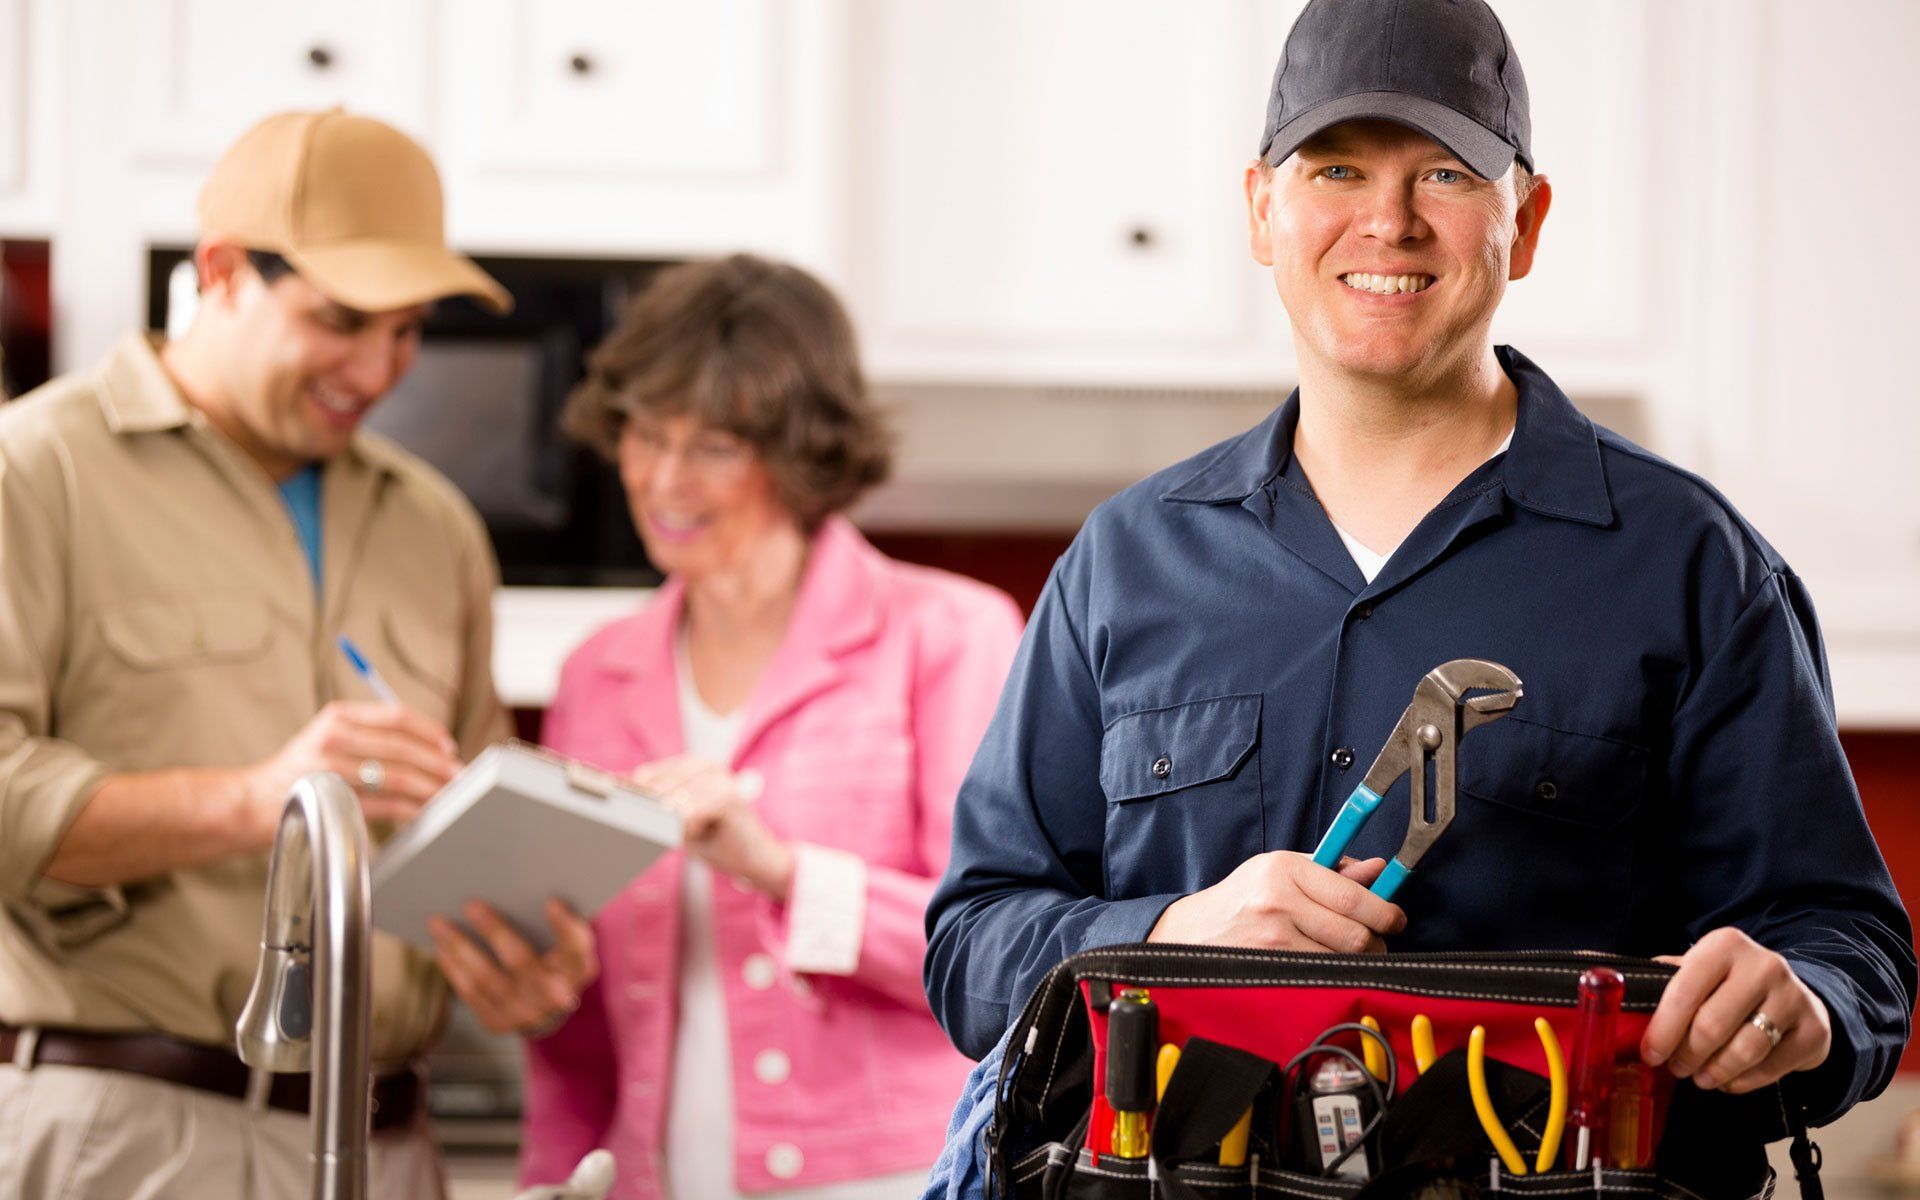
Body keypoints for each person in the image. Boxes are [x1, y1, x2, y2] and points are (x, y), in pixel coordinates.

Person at [921, 0, 1914, 1189]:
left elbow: (1848, 953)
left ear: (1526, 222)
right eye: (1336, 166)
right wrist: (1175, 939)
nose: (1386, 222)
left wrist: (1798, 1006)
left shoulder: (1694, 567)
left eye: (1444, 172)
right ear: (1260, 210)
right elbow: (973, 945)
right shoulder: (1122, 564)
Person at [0, 110, 594, 1198]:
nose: (377, 369)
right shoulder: (35, 473)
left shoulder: (434, 525)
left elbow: (468, 806)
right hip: (133, 1135)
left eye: (408, 329)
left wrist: (523, 961)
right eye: (340, 320)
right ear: (222, 273)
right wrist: (260, 797)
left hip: (388, 1146)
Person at [511, 254, 1026, 1200]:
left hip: (894, 1181)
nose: (663, 479)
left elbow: (1002, 955)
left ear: (799, 451)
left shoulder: (950, 637)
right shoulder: (597, 674)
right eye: (644, 434)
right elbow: (579, 1044)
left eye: (711, 446)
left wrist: (781, 871)